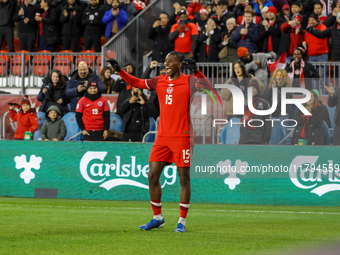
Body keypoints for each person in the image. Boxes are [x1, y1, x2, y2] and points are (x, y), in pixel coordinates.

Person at [107, 51, 220, 232]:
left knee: (183, 178)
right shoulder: (159, 81)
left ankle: (182, 221)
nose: (165, 64)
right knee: (152, 175)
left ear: (179, 64)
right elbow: (136, 82)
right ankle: (157, 217)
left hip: (182, 136)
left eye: (170, 61)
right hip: (162, 137)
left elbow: (209, 87)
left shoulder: (190, 81)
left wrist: (197, 72)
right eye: (165, 61)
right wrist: (119, 70)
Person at [239, 80, 272, 144]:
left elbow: (268, 121)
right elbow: (236, 115)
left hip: (258, 138)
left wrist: (267, 134)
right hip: (244, 137)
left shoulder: (264, 103)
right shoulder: (243, 101)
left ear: (257, 90)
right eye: (250, 88)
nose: (251, 90)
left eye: (253, 88)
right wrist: (242, 105)